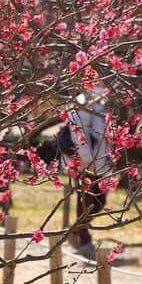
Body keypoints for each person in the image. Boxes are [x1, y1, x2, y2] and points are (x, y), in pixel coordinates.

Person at [59, 89, 112, 259]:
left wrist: (107, 156)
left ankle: (76, 231)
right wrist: (87, 160)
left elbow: (102, 134)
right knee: (86, 200)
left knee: (99, 200)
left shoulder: (100, 104)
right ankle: (82, 237)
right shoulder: (81, 102)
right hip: (84, 163)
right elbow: (78, 133)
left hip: (99, 162)